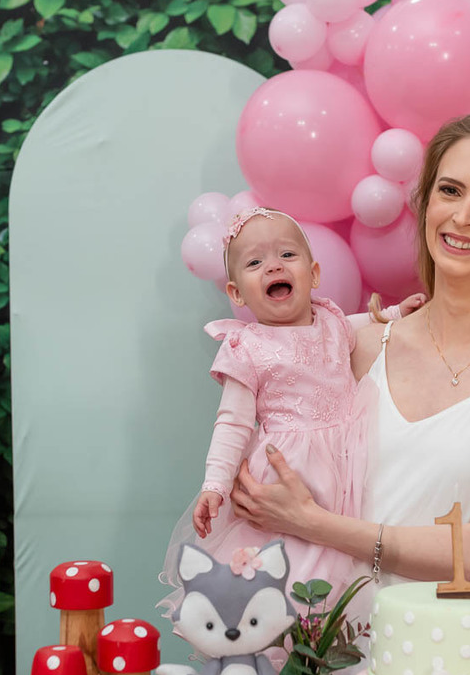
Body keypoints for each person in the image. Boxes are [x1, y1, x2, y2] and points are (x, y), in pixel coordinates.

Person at [228, 113, 470, 592]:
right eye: (450, 190)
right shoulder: (357, 347)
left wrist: (315, 524)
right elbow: (268, 482)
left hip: (450, 637)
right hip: (325, 632)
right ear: (427, 202)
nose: (463, 216)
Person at [158, 207, 424, 616]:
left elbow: (359, 325)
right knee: (295, 559)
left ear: (313, 274)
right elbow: (232, 423)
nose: (273, 266)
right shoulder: (247, 348)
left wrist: (394, 314)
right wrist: (215, 484)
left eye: (286, 255)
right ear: (236, 294)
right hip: (292, 467)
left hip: (348, 457)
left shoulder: (331, 320)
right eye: (255, 262)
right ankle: (291, 630)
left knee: (346, 548)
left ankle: (336, 629)